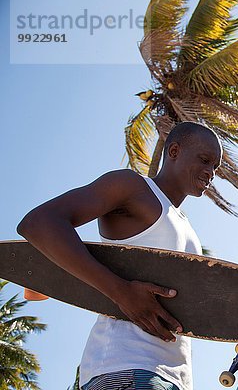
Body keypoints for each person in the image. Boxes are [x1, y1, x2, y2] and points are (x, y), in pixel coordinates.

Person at [17, 121, 222, 390]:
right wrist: (120, 292)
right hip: (126, 368)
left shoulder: (184, 224)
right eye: (205, 160)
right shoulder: (132, 187)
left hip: (171, 378)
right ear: (173, 151)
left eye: (215, 167)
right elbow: (39, 222)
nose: (210, 173)